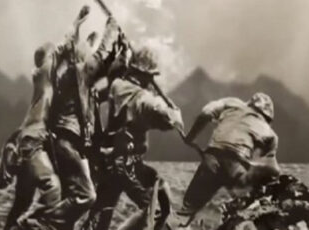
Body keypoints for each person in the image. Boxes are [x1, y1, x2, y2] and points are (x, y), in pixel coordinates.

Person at [21, 5, 120, 230]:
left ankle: (46, 223)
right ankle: (38, 223)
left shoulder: (76, 82)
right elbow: (100, 57)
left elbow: (104, 67)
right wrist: (112, 28)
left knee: (73, 195)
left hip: (70, 141)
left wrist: (80, 26)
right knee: (85, 196)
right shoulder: (76, 73)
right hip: (66, 141)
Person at [82, 47, 183, 230]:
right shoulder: (145, 100)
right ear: (146, 75)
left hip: (112, 163)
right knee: (151, 206)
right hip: (128, 166)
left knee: (101, 214)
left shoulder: (117, 86)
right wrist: (175, 112)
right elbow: (173, 122)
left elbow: (100, 93)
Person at [178, 92, 280, 226]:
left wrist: (190, 138)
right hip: (237, 164)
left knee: (189, 207)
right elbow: (273, 169)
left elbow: (205, 113)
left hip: (211, 157)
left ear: (249, 103)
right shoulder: (270, 133)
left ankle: (182, 223)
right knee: (241, 205)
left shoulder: (232, 103)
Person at [0, 43, 61, 230]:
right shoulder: (43, 78)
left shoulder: (49, 85)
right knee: (53, 190)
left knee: (22, 201)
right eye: (53, 57)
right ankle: (24, 225)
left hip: (29, 144)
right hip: (32, 144)